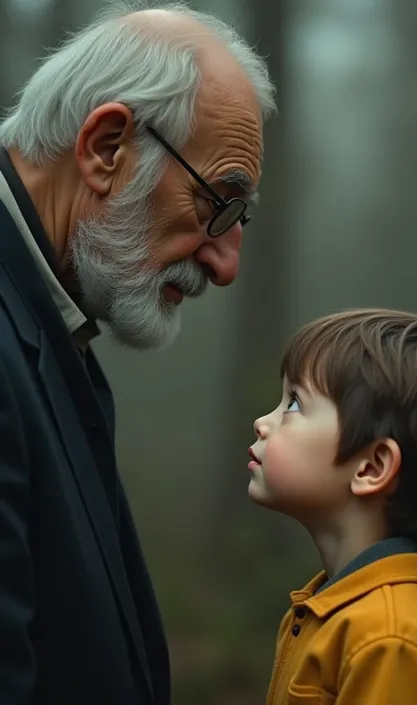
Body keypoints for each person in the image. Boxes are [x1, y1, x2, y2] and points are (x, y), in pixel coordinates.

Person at [0, 1, 275, 703]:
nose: (225, 263)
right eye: (218, 201)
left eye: (240, 217)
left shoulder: (47, 318)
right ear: (105, 148)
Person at [248, 309, 417, 705]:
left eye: (295, 404)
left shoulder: (391, 641)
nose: (262, 422)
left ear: (371, 467)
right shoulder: (332, 609)